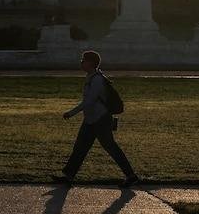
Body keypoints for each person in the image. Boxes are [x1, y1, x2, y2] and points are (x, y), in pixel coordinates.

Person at [56, 50, 140, 187]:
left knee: (110, 147)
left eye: (84, 60)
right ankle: (68, 176)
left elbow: (89, 101)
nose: (81, 63)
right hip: (91, 119)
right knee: (80, 148)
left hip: (100, 120)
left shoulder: (97, 80)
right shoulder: (91, 77)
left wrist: (71, 113)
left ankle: (131, 176)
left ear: (91, 63)